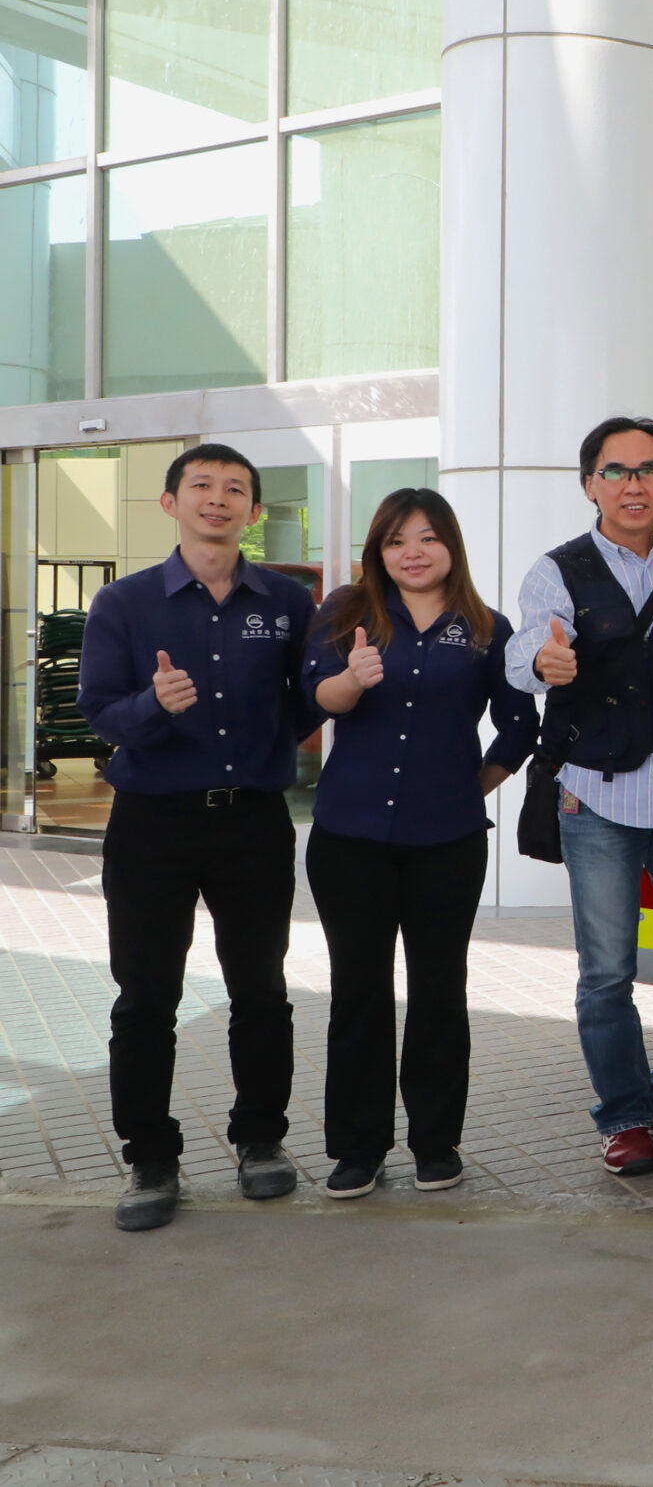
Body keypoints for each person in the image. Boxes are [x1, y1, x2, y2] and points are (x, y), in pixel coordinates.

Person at [78, 443, 324, 1232]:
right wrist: (154, 706)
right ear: (170, 503)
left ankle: (261, 1140)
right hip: (152, 822)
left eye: (236, 490)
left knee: (260, 990)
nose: (218, 500)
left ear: (253, 511)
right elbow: (99, 713)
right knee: (147, 995)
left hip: (252, 820)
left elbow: (310, 698)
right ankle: (151, 1155)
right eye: (202, 487)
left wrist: (268, 746)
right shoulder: (124, 603)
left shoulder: (285, 601)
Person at [506, 416, 653, 1177]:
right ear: (589, 483)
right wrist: (542, 659)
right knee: (606, 969)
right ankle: (625, 1113)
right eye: (616, 471)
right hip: (596, 793)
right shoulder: (557, 570)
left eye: (648, 469)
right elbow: (527, 647)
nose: (633, 484)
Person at [304, 489, 537, 1199]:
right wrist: (352, 677)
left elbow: (521, 724)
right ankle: (357, 1147)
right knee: (360, 991)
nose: (413, 551)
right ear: (378, 549)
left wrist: (472, 788)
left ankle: (437, 1141)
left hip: (448, 840)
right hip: (351, 837)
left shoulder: (486, 626)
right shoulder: (346, 612)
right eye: (397, 538)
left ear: (451, 546)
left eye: (428, 537)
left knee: (440, 989)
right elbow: (318, 695)